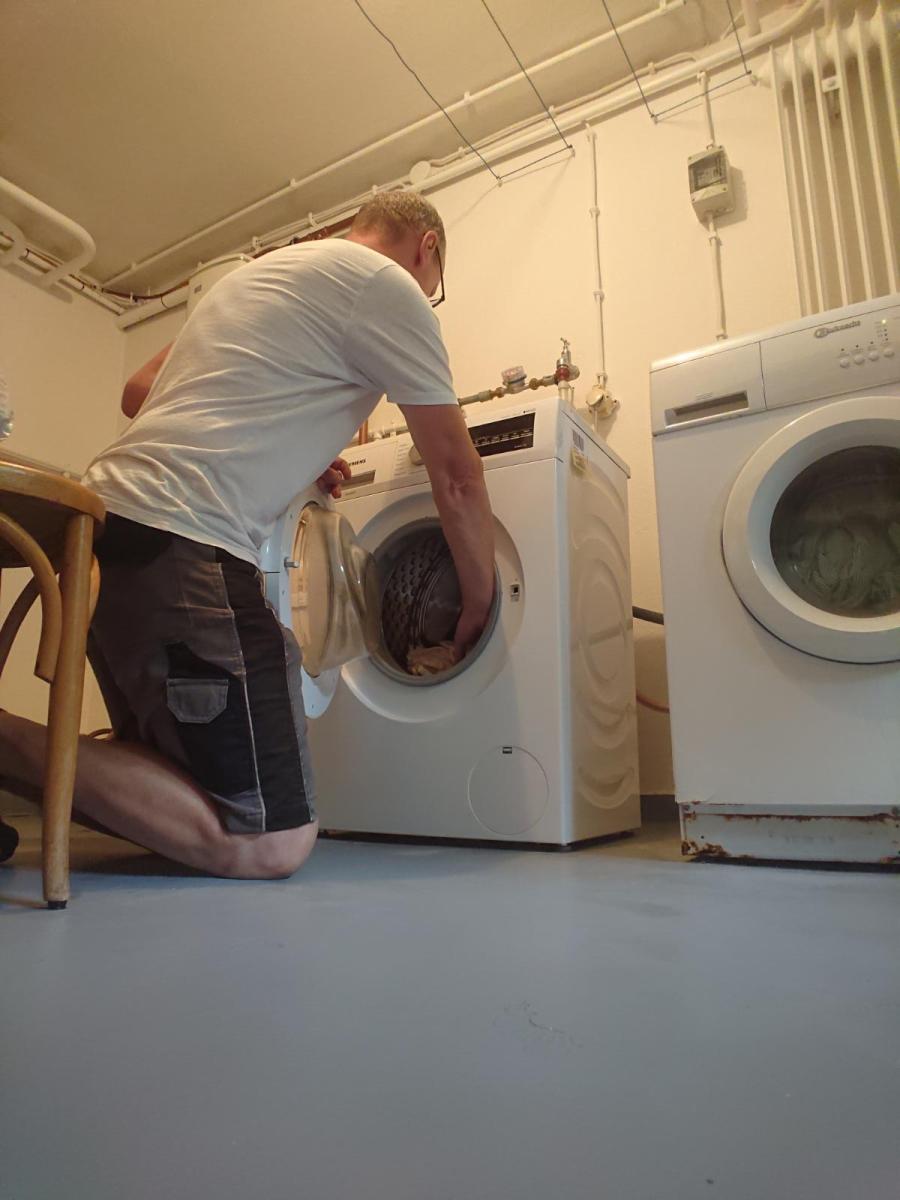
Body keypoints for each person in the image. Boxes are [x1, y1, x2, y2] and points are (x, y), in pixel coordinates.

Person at [0, 191, 495, 879]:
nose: (426, 294)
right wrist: (478, 603)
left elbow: (139, 391)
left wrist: (299, 448)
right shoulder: (388, 285)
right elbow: (459, 478)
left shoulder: (255, 277)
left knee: (185, 780)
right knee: (272, 839)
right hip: (182, 535)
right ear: (427, 249)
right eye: (431, 285)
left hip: (103, 530)